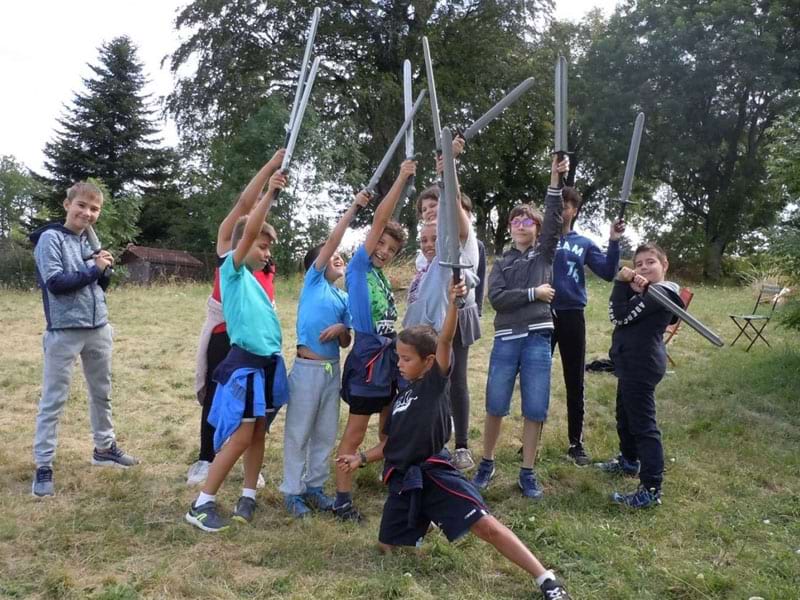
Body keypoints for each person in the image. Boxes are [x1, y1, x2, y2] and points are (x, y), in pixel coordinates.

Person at [337, 281, 572, 600]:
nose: (399, 364)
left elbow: (445, 339)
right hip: (405, 480)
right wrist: (360, 458)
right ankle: (427, 519)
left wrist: (453, 304)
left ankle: (545, 578)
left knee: (483, 525)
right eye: (398, 358)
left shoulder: (434, 384)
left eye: (406, 359)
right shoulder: (402, 396)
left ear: (429, 362)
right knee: (386, 546)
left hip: (434, 473)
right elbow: (392, 444)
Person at [185, 167, 289, 532]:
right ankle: (202, 502)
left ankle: (248, 494)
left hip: (266, 365)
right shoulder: (232, 270)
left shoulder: (261, 281)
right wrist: (269, 195)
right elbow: (247, 229)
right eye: (261, 245)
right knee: (243, 435)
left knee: (259, 431)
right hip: (244, 365)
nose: (266, 251)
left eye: (268, 246)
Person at [30, 181, 139, 498]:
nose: (87, 213)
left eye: (94, 209)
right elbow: (57, 284)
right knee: (54, 400)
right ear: (67, 205)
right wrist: (94, 269)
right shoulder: (50, 239)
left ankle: (104, 449)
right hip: (64, 333)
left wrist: (103, 271)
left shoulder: (88, 240)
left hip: (98, 328)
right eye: (82, 206)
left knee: (101, 393)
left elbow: (96, 287)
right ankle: (43, 465)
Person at [472, 155, 568, 500]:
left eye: (528, 220)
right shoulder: (502, 262)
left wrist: (555, 181)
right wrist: (534, 293)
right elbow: (496, 299)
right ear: (510, 228)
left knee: (536, 406)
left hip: (538, 339)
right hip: (506, 340)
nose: (521, 223)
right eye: (516, 219)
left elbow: (555, 218)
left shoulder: (544, 255)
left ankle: (527, 471)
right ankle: (487, 462)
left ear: (537, 230)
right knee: (495, 402)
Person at [334, 159, 417, 522]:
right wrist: (400, 178)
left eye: (391, 249)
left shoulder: (383, 277)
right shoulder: (359, 266)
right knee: (355, 430)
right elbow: (381, 218)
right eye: (380, 243)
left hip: (391, 356)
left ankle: (391, 481)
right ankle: (341, 499)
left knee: (391, 425)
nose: (383, 251)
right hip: (368, 356)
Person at [280, 191, 370, 518]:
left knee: (325, 432)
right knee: (298, 431)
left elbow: (346, 342)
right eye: (330, 256)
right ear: (316, 265)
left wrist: (340, 331)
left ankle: (314, 487)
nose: (337, 257)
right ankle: (291, 491)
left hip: (333, 370)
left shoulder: (342, 298)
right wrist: (355, 208)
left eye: (339, 256)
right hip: (306, 370)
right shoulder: (314, 283)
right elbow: (334, 240)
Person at [404, 136, 481, 471]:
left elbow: (457, 218)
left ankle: (461, 444)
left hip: (457, 317)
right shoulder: (424, 256)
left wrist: (449, 170)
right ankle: (433, 441)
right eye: (424, 211)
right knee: (431, 383)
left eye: (435, 206)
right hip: (428, 326)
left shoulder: (461, 240)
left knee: (455, 380)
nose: (430, 213)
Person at [596, 243, 683, 509]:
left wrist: (622, 285)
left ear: (664, 265)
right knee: (624, 416)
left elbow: (619, 315)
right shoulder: (649, 291)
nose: (643, 267)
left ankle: (651, 488)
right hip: (629, 362)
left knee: (644, 426)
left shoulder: (661, 293)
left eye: (650, 262)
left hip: (642, 365)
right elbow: (624, 314)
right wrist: (633, 288)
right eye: (639, 264)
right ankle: (628, 460)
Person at [552, 186, 624, 465]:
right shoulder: (541, 240)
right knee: (536, 377)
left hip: (571, 314)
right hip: (542, 314)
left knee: (574, 379)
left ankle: (575, 443)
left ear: (574, 210)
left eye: (567, 205)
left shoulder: (583, 242)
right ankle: (531, 438)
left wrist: (613, 241)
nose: (561, 210)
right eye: (557, 205)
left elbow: (608, 272)